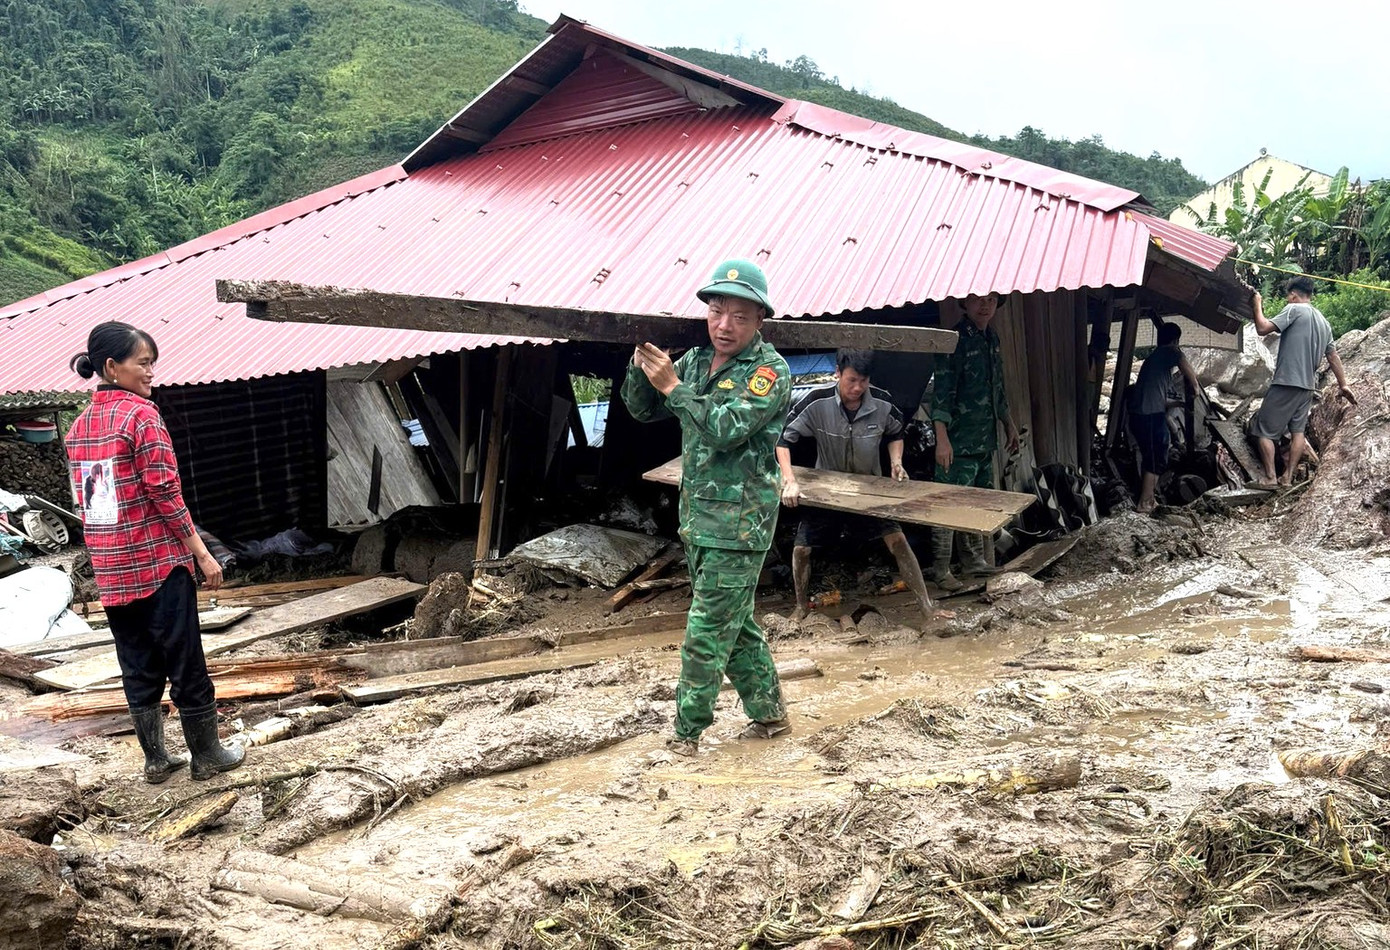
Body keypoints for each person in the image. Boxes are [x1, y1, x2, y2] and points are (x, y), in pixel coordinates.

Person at [621, 259, 792, 757]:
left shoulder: (768, 372)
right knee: (734, 627)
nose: (724, 325)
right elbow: (643, 409)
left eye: (740, 316)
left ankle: (685, 736)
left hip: (740, 525)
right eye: (717, 311)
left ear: (760, 320)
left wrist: (674, 387)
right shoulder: (695, 361)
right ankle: (770, 717)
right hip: (698, 518)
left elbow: (723, 428)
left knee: (705, 632)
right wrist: (642, 370)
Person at [66, 322, 245, 784]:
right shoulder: (141, 416)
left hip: (112, 569)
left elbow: (87, 504)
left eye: (152, 363)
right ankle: (207, 755)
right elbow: (165, 492)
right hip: (156, 562)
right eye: (143, 363)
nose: (150, 373)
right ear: (111, 367)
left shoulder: (80, 426)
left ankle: (156, 760)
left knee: (136, 660)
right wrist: (202, 553)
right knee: (184, 657)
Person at [776, 349, 936, 628]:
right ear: (838, 373)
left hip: (868, 491)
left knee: (898, 542)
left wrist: (896, 462)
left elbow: (896, 432)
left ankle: (927, 608)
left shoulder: (883, 402)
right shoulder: (816, 401)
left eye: (863, 381)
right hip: (827, 490)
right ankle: (801, 607)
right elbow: (783, 441)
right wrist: (789, 480)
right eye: (851, 380)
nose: (857, 388)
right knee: (802, 549)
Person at [929, 292, 1020, 591]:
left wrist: (1008, 424)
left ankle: (973, 560)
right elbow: (941, 393)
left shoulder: (991, 338)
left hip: (985, 439)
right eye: (979, 300)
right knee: (949, 503)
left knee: (979, 502)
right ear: (964, 304)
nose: (986, 306)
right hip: (958, 441)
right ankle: (942, 570)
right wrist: (942, 439)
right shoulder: (954, 340)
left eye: (992, 300)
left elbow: (998, 387)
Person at [1249, 277, 1356, 488]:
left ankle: (1270, 478)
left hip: (1286, 381)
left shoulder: (1293, 310)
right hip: (1308, 386)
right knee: (1297, 432)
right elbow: (1333, 356)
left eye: (1288, 296)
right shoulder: (1324, 322)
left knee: (1264, 431)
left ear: (1293, 295)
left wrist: (1256, 303)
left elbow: (1262, 328)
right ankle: (1287, 478)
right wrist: (1343, 385)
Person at [1130, 322, 1201, 512]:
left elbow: (1158, 397)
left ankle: (1150, 500)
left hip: (1143, 415)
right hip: (1149, 416)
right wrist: (1195, 388)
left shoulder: (1154, 360)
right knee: (1156, 457)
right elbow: (1182, 360)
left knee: (1152, 456)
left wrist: (1180, 404)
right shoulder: (1169, 352)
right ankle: (1145, 503)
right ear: (1175, 341)